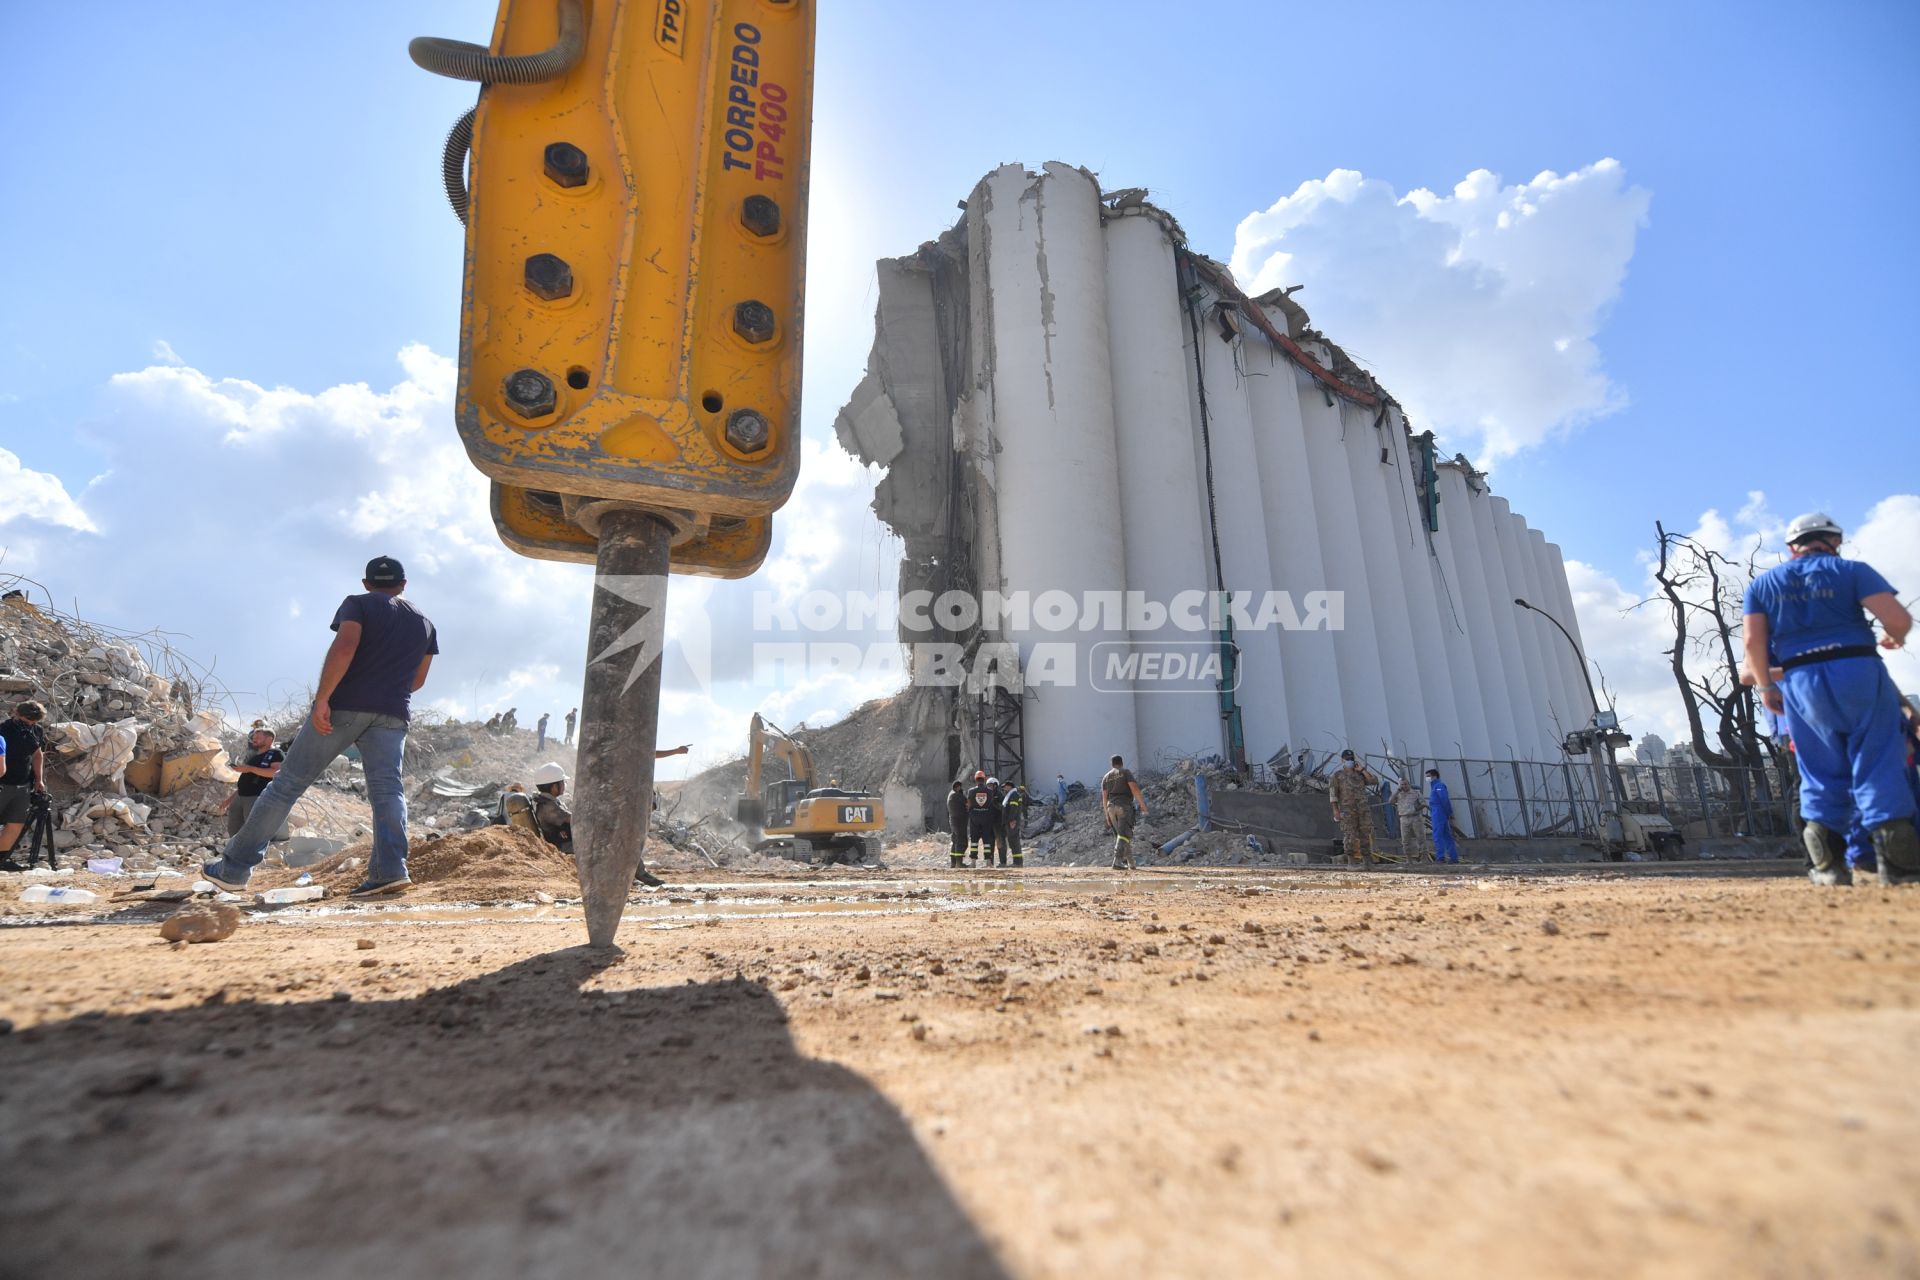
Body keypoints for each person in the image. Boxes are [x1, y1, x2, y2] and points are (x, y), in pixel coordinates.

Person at [201, 555, 438, 896]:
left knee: (287, 785)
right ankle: (390, 870)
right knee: (388, 791)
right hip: (393, 714)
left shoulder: (358, 604)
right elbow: (417, 681)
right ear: (403, 585)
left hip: (345, 705)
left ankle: (234, 868)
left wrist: (323, 698)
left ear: (366, 583)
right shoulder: (425, 623)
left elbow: (345, 646)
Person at [1743, 512, 1916, 886]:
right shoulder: (1852, 570)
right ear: (1834, 540)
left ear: (1792, 547)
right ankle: (1897, 864)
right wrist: (1895, 637)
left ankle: (1827, 866)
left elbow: (1753, 642)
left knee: (1818, 770)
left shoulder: (1763, 585)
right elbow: (1898, 619)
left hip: (1801, 680)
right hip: (1857, 669)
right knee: (1878, 761)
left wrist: (1766, 687)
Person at [220, 722, 290, 843]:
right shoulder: (253, 757)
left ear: (269, 739)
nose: (254, 739)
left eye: (258, 737)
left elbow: (277, 773)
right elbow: (247, 782)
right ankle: (235, 854)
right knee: (234, 829)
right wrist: (229, 800)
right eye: (253, 738)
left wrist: (250, 769)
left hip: (256, 798)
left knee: (253, 831)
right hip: (241, 797)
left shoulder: (275, 753)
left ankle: (252, 857)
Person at [0, 700, 49, 867]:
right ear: (16, 714)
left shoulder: (36, 731)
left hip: (23, 784)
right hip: (2, 783)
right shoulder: (3, 730)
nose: (28, 725)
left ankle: (2, 859)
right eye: (25, 722)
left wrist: (39, 780)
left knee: (16, 823)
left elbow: (37, 755)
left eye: (32, 723)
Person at [1329, 749, 1379, 868]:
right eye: (1347, 759)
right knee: (1350, 836)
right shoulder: (1337, 776)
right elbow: (1333, 795)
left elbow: (1374, 781)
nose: (1349, 761)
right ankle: (1351, 862)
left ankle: (1367, 861)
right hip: (1347, 810)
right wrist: (1335, 810)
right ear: (1342, 760)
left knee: (1365, 834)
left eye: (1351, 759)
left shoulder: (1360, 774)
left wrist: (1362, 770)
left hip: (1363, 810)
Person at [1100, 754, 1149, 870]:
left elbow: (1104, 797)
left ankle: (1131, 862)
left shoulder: (1106, 777)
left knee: (1120, 835)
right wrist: (1143, 805)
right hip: (1123, 806)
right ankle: (1117, 861)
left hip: (1110, 807)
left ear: (1112, 764)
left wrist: (1106, 814)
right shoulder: (1125, 772)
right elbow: (1134, 788)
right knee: (1124, 834)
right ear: (1121, 763)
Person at [525, 761, 573, 853]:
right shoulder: (548, 806)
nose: (564, 785)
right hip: (562, 848)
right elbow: (573, 819)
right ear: (555, 787)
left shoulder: (547, 801)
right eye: (562, 782)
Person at [1426, 768, 1460, 865]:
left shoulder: (1439, 786)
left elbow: (1444, 799)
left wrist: (1449, 813)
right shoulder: (1435, 786)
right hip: (1438, 812)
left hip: (1439, 812)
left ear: (1434, 776)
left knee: (1438, 835)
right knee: (1446, 836)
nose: (1427, 778)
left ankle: (1440, 857)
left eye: (1428, 776)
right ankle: (1453, 858)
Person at [964, 770, 997, 867]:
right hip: (986, 818)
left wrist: (971, 813)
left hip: (974, 818)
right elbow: (992, 805)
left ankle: (973, 862)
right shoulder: (990, 792)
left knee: (974, 840)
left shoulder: (971, 791)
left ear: (976, 779)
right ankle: (988, 862)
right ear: (984, 779)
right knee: (987, 841)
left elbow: (968, 805)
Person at [1393, 777, 1428, 862]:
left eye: (1405, 784)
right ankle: (1409, 859)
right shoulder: (1399, 794)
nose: (1404, 786)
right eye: (1402, 784)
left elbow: (1424, 804)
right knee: (1405, 840)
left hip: (1415, 818)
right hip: (1404, 818)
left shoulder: (1416, 793)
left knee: (1420, 838)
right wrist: (1397, 791)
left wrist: (1416, 809)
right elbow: (1391, 801)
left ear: (1409, 784)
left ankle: (1424, 858)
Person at [1000, 780, 1029, 868]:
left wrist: (1012, 820)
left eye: (1005, 787)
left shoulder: (1014, 795)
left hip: (1012, 822)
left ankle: (1018, 862)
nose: (1004, 788)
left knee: (1014, 841)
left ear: (1009, 786)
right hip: (1010, 822)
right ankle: (1017, 862)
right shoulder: (1011, 795)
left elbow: (1014, 809)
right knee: (1012, 841)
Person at [946, 779, 968, 870]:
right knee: (962, 841)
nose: (960, 788)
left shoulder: (950, 795)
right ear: (957, 787)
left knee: (955, 841)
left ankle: (953, 863)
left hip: (953, 821)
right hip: (959, 822)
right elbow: (968, 803)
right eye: (959, 787)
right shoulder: (956, 795)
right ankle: (959, 863)